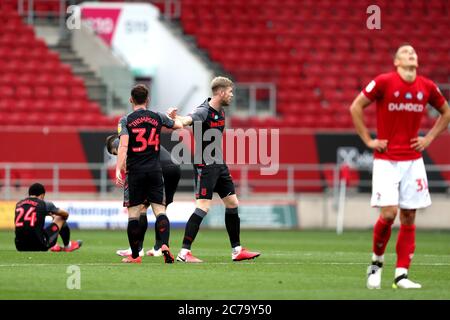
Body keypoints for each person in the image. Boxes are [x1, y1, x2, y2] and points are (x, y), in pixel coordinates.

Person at [349, 44, 450, 289]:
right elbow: (355, 107)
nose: (411, 54)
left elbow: (446, 112)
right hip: (387, 161)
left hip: (413, 162)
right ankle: (376, 264)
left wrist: (428, 138)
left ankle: (401, 276)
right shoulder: (384, 81)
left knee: (408, 216)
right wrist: (369, 140)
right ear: (396, 61)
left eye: (414, 52)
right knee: (389, 213)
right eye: (405, 52)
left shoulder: (426, 86)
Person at [167, 76, 261, 263]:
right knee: (203, 207)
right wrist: (173, 118)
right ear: (221, 92)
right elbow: (186, 120)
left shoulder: (221, 111)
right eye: (230, 92)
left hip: (219, 164)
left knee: (232, 203)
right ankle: (184, 253)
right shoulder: (203, 111)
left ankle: (236, 250)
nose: (232, 95)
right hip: (205, 166)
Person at [116, 84, 182, 264]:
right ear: (148, 99)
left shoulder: (125, 120)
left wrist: (118, 168)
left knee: (134, 214)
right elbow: (177, 125)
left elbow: (122, 147)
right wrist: (173, 117)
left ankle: (135, 256)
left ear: (131, 99)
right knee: (160, 211)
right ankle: (165, 245)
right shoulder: (158, 116)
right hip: (155, 170)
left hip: (135, 172)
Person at [105, 134, 181, 257]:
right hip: (174, 168)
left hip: (157, 169)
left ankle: (137, 248)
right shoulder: (141, 137)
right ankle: (159, 247)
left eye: (115, 153)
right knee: (161, 209)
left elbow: (129, 165)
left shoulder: (125, 144)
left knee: (141, 208)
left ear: (116, 145)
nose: (117, 156)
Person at [14, 183, 82, 252]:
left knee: (34, 228)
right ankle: (68, 246)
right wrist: (55, 217)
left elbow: (30, 216)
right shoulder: (44, 204)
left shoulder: (19, 204)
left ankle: (55, 246)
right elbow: (65, 214)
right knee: (60, 218)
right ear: (42, 195)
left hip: (20, 246)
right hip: (38, 245)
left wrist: (47, 214)